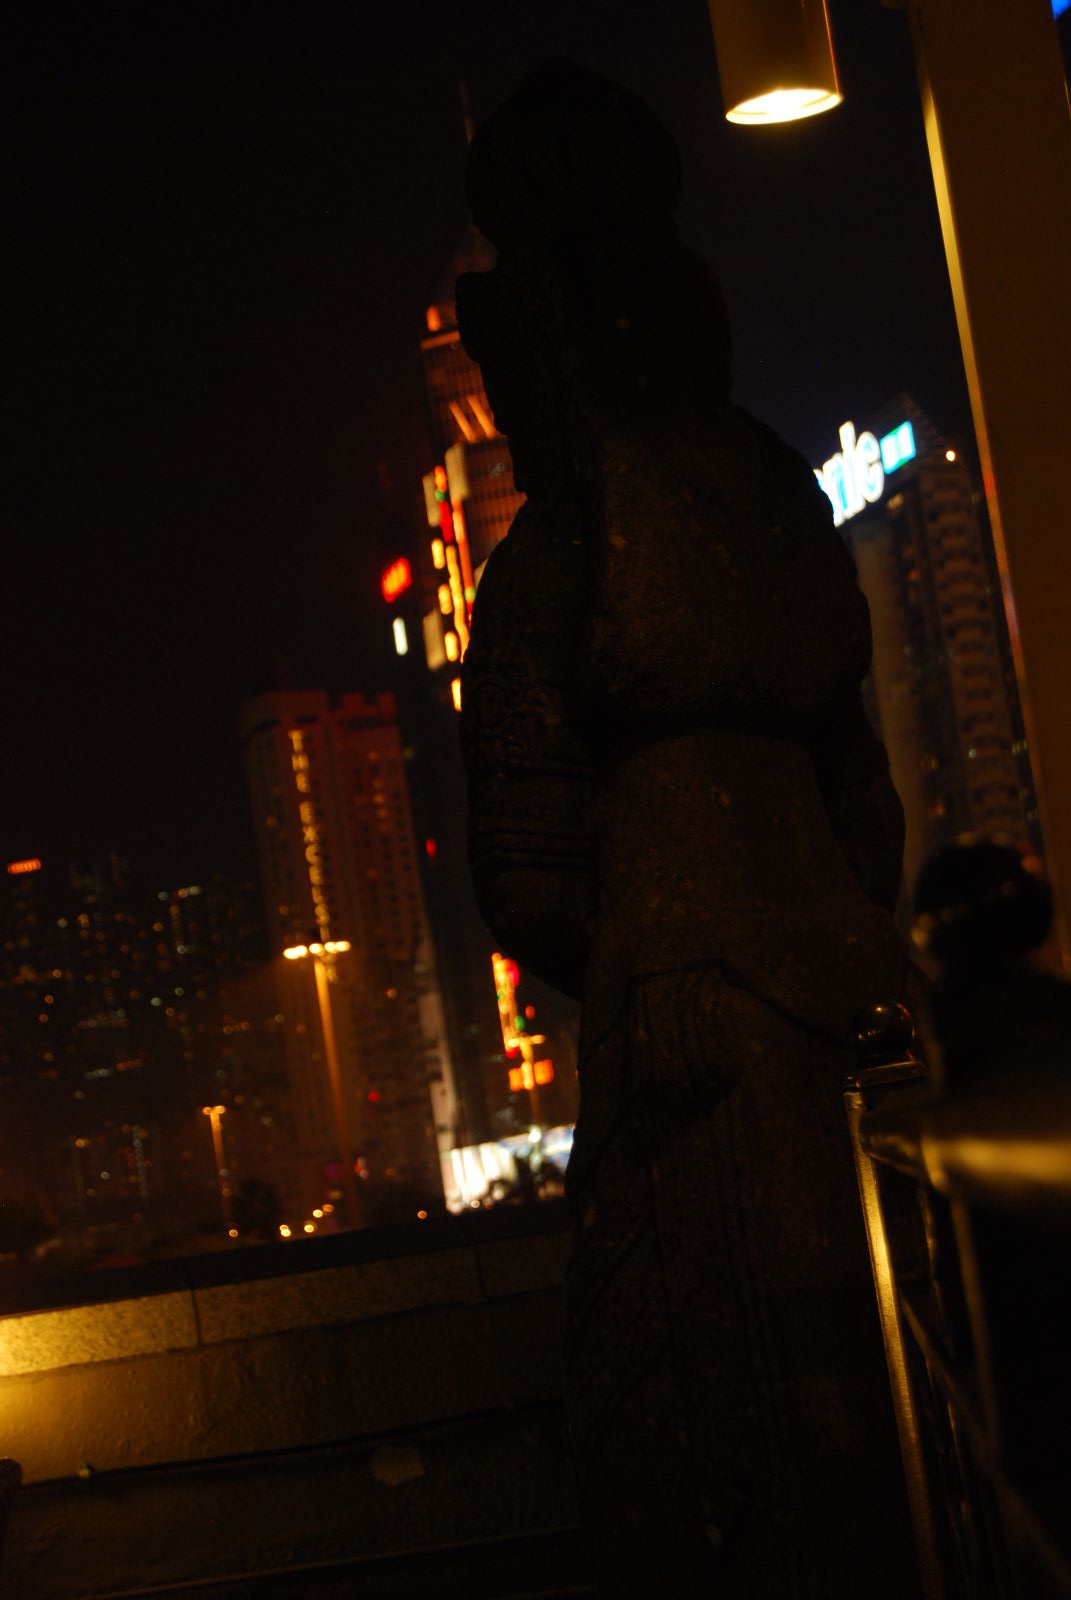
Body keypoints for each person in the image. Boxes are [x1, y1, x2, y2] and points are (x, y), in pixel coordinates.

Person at [459, 60, 918, 1596]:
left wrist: (652, 948)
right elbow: (869, 808)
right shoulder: (784, 512)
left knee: (698, 1425)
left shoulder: (552, 561)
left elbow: (526, 875)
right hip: (847, 988)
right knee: (879, 1402)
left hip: (670, 1006)